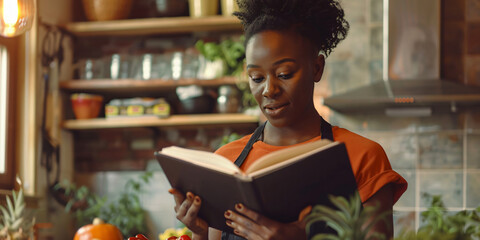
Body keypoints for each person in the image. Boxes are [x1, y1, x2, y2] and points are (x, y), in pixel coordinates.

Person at [169, 0, 408, 239]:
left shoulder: (362, 157)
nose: (269, 90)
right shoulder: (225, 162)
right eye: (256, 77)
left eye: (284, 74)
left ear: (316, 68)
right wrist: (200, 232)